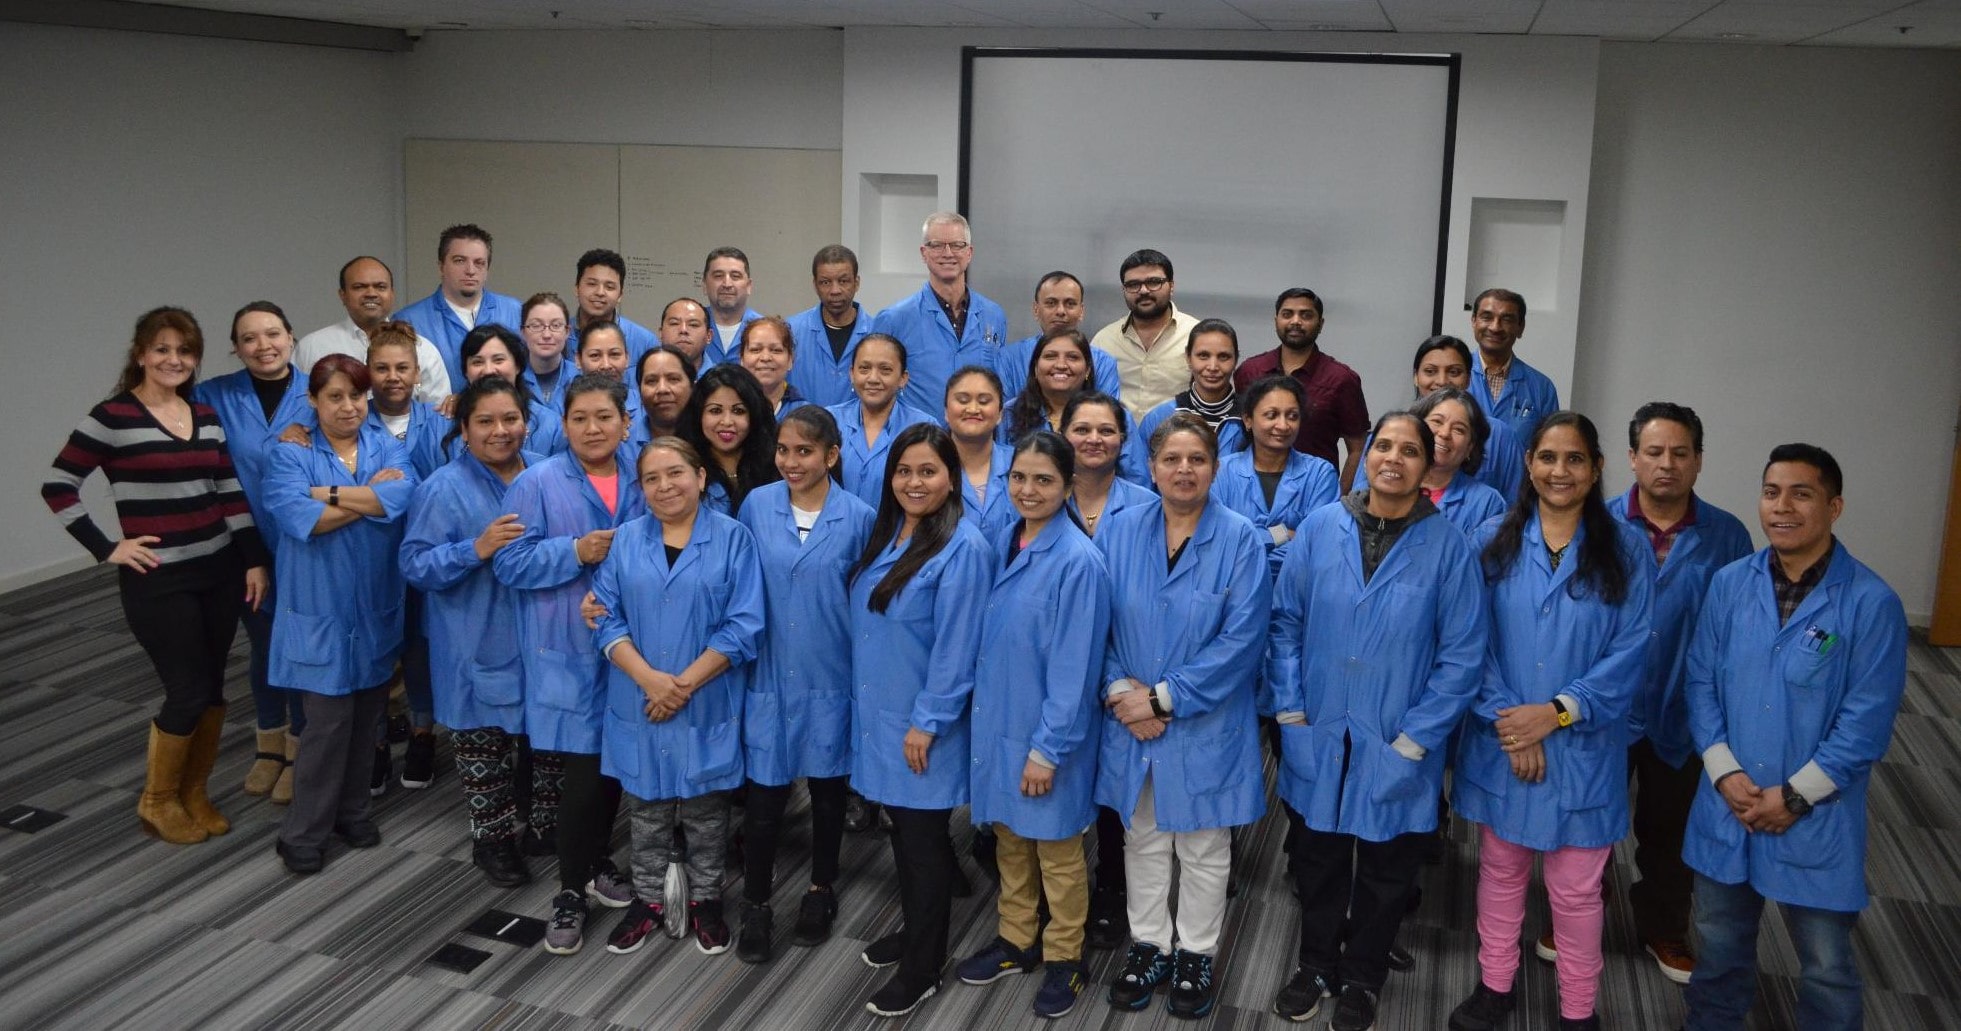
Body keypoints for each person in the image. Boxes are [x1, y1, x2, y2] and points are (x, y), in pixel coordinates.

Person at [1267, 412, 1488, 1030]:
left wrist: (1417, 740)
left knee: (1389, 870)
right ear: (1366, 457)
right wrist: (1290, 711)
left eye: (1410, 449)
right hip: (1318, 724)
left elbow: (1462, 655)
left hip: (1399, 736)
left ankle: (1363, 975)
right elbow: (1285, 624)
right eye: (1383, 445)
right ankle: (1315, 964)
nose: (1393, 457)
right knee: (1319, 857)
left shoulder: (1449, 546)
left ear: (1429, 464)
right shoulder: (1321, 526)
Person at [1681, 445, 1907, 1031]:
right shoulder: (1730, 584)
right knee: (1717, 943)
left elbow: (1866, 723)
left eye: (1800, 494)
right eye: (1771, 492)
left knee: (1826, 964)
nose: (1781, 507)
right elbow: (1700, 681)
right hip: (1727, 798)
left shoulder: (1871, 603)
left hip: (1815, 813)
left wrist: (1797, 795)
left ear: (1834, 507)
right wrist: (1724, 770)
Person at [1448, 412, 1652, 1031]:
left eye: (1574, 460)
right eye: (1547, 458)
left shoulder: (1626, 547)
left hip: (1582, 747)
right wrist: (1513, 726)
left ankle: (1578, 1010)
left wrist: (1557, 714)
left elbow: (1633, 647)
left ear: (1595, 470)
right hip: (1502, 740)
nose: (1559, 472)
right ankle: (1495, 985)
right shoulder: (1489, 539)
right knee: (1502, 872)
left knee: (1575, 891)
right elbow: (1466, 642)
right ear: (1529, 464)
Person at [43, 306, 270, 843]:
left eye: (185, 351)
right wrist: (106, 548)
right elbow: (58, 486)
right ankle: (157, 799)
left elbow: (230, 495)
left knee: (214, 692)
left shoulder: (205, 415)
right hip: (159, 578)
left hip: (219, 569)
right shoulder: (113, 417)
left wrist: (253, 559)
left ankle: (195, 791)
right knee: (186, 691)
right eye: (163, 349)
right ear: (141, 354)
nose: (174, 359)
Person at [1098, 413, 1271, 1020]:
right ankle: (1148, 945)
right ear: (1151, 467)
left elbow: (1243, 641)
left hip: (1203, 722)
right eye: (1171, 459)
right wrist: (1125, 692)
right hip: (1132, 720)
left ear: (1215, 468)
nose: (1184, 470)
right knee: (1141, 837)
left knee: (1203, 844)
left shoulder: (1241, 537)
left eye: (1197, 459)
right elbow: (1101, 626)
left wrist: (1163, 698)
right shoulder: (1119, 531)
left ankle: (1196, 952)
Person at [955, 432, 1113, 1020]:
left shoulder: (1079, 562)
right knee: (1010, 841)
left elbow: (1075, 671)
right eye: (1019, 478)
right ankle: (1016, 940)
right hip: (1000, 724)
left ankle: (1065, 957)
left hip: (1048, 736)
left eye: (1044, 480)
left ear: (1069, 486)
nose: (1029, 489)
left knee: (1058, 852)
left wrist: (1047, 751)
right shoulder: (1006, 540)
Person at [1591, 403, 1749, 983]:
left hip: (1684, 709)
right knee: (1591, 819)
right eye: (1654, 452)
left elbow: (1737, 627)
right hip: (1606, 705)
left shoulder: (1727, 534)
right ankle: (1578, 913)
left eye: (1680, 453)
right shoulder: (1600, 523)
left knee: (1671, 827)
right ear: (1632, 459)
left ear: (1699, 462)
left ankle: (1663, 926)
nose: (1667, 465)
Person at [591, 437, 766, 958]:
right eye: (652, 478)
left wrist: (681, 685)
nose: (665, 486)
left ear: (701, 477)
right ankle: (647, 901)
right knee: (644, 807)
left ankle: (706, 899)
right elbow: (603, 616)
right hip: (639, 697)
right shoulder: (625, 540)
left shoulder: (734, 539)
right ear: (640, 487)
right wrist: (650, 680)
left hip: (705, 698)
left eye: (676, 474)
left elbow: (745, 625)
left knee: (707, 810)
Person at [494, 375, 645, 955]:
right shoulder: (537, 483)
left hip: (633, 647)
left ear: (625, 422)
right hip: (568, 648)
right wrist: (574, 552)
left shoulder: (645, 472)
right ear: (563, 424)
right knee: (582, 776)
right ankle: (569, 890)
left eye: (604, 417)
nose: (592, 428)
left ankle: (598, 858)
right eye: (579, 417)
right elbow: (509, 564)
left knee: (612, 771)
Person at [849, 424, 993, 1018]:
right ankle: (914, 933)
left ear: (951, 479)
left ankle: (925, 967)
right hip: (880, 716)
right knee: (904, 840)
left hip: (920, 726)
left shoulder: (964, 547)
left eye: (928, 471)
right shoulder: (888, 533)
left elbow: (959, 650)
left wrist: (927, 723)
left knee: (926, 846)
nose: (914, 482)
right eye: (904, 471)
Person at [401, 376, 562, 887]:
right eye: (485, 422)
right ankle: (491, 841)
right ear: (463, 428)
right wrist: (476, 548)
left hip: (541, 633)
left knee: (546, 740)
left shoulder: (549, 472)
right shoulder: (441, 488)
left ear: (526, 420)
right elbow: (415, 565)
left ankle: (543, 827)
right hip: (474, 635)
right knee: (483, 745)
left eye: (510, 419)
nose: (500, 431)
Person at [262, 355, 418, 874]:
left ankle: (352, 812)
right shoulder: (289, 452)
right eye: (334, 396)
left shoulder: (386, 445)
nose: (347, 406)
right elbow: (298, 516)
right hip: (319, 610)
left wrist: (327, 494)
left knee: (367, 719)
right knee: (326, 726)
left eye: (355, 395)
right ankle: (302, 833)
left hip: (373, 606)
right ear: (313, 401)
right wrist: (367, 499)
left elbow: (402, 496)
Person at [732, 406, 878, 963]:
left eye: (805, 452)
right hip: (768, 670)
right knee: (765, 799)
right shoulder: (756, 505)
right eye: (784, 450)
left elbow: (865, 599)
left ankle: (821, 888)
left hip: (831, 673)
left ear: (831, 456)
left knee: (827, 795)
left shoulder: (859, 516)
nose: (792, 462)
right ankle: (756, 901)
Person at [192, 302, 313, 802]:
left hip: (307, 544)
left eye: (272, 334)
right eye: (249, 338)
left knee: (302, 647)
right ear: (236, 347)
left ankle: (302, 744)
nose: (263, 346)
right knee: (263, 644)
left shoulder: (319, 390)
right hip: (242, 544)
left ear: (291, 336)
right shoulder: (211, 395)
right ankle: (269, 743)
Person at [871, 212, 1007, 414]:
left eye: (957, 245)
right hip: (921, 439)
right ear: (923, 253)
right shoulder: (894, 319)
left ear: (969, 252)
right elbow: (876, 389)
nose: (948, 253)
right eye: (937, 245)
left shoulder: (993, 315)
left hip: (977, 436)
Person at [1232, 288, 1369, 487]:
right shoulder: (1249, 371)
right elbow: (1239, 434)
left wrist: (1340, 500)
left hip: (1316, 491)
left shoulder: (1342, 379)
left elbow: (1358, 448)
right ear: (1276, 320)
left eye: (1306, 315)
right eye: (1287, 314)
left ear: (1320, 324)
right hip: (1251, 489)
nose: (1296, 321)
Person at [1209, 375, 1341, 578]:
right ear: (1248, 420)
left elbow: (1317, 545)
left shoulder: (1320, 474)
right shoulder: (1221, 471)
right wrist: (1283, 534)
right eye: (1271, 415)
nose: (1283, 425)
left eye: (1292, 416)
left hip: (1294, 591)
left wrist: (1246, 553)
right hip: (1232, 591)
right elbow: (1217, 539)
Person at [295, 256, 450, 404]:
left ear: (392, 294)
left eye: (380, 287)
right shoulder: (312, 347)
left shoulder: (422, 348)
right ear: (342, 295)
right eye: (359, 287)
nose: (371, 293)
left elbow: (438, 412)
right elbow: (296, 406)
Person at [394, 224, 523, 387]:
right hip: (437, 412)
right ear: (441, 267)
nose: (470, 270)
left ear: (487, 269)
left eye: (479, 263)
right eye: (460, 261)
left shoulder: (515, 311)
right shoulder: (408, 321)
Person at [825, 334, 937, 508]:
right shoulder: (829, 420)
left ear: (903, 378)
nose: (873, 378)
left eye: (885, 370)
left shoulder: (924, 427)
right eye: (864, 368)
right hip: (836, 531)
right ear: (851, 373)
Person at [1091, 249, 1199, 420]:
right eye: (1133, 285)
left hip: (1177, 443)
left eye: (1154, 282)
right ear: (1123, 290)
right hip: (1118, 444)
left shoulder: (1197, 335)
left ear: (1171, 286)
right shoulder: (1104, 341)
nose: (1143, 291)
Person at [1413, 335, 1525, 499]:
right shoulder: (1394, 430)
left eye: (1454, 372)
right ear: (1416, 377)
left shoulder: (1500, 435)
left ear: (1468, 379)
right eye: (1430, 371)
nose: (1442, 381)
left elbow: (1516, 506)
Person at [996, 272, 1121, 403]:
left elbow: (1108, 416)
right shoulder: (1009, 358)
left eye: (1070, 303)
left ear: (1081, 311)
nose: (1060, 311)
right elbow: (1002, 415)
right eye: (1051, 303)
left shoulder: (1103, 363)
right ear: (1036, 309)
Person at [678, 363, 779, 516]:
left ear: (754, 415)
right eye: (715, 411)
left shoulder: (776, 467)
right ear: (699, 415)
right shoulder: (682, 468)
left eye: (738, 411)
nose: (726, 421)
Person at [1137, 317, 1246, 457]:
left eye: (1223, 357)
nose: (1213, 367)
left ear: (1236, 359)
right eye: (1203, 356)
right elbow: (1141, 477)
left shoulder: (1251, 419)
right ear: (1188, 357)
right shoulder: (1159, 418)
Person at [1407, 387, 1510, 533]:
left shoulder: (1488, 504)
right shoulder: (1388, 484)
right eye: (1437, 421)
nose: (1444, 433)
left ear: (1470, 447)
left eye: (1459, 429)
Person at [785, 244, 873, 409]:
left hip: (860, 432)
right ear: (815, 285)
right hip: (803, 431)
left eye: (843, 281)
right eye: (825, 282)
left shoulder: (877, 334)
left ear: (857, 283)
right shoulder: (791, 331)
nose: (835, 290)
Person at [458, 325, 566, 457]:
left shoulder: (552, 426)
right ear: (465, 371)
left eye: (498, 360)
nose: (488, 370)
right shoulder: (442, 421)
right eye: (477, 362)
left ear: (518, 366)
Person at [1466, 289, 1558, 443]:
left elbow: (1550, 449)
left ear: (1520, 327)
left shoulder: (1542, 387)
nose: (1495, 327)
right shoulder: (1453, 376)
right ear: (1474, 322)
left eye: (1507, 319)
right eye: (1487, 317)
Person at [944, 365, 1016, 542]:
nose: (973, 409)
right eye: (962, 400)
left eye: (984, 401)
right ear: (946, 412)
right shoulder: (926, 466)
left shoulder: (1021, 464)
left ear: (1000, 414)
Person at [1002, 329, 1097, 444]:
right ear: (1035, 368)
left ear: (1088, 369)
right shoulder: (1009, 413)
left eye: (1072, 357)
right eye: (1050, 356)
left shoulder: (1110, 414)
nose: (1061, 365)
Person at [569, 248, 658, 368]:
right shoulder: (558, 337)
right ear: (576, 288)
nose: (600, 292)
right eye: (592, 284)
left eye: (609, 287)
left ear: (620, 295)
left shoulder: (645, 342)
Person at [702, 247, 763, 368]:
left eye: (735, 276)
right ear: (704, 285)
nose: (727, 284)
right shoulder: (689, 329)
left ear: (749, 286)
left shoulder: (765, 330)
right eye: (718, 276)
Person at [738, 315, 810, 419]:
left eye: (776, 350)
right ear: (742, 359)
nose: (765, 357)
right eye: (755, 349)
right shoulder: (729, 412)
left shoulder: (806, 416)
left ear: (790, 360)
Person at [574, 320, 641, 423]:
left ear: (627, 358)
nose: (606, 365)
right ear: (578, 360)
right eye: (595, 355)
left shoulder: (644, 406)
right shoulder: (565, 407)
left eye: (614, 354)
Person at [519, 292, 576, 411]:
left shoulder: (580, 377)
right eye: (536, 326)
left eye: (556, 325)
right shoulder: (512, 379)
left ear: (567, 332)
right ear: (523, 332)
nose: (546, 335)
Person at [632, 345, 696, 448]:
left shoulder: (710, 439)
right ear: (639, 390)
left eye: (673, 379)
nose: (662, 389)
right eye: (651, 381)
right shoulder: (621, 443)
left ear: (692, 386)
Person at [657, 297, 714, 372]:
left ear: (709, 336)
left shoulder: (722, 381)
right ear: (661, 333)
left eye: (693, 325)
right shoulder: (641, 377)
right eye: (674, 323)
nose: (683, 330)